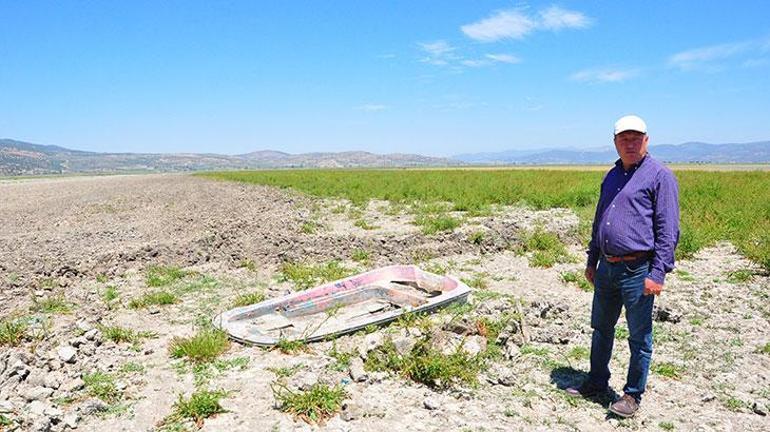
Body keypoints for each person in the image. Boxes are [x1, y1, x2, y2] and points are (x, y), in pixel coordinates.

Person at [565, 115, 680, 418]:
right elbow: (599, 219)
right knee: (601, 329)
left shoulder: (659, 176)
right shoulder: (612, 175)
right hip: (607, 268)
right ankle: (597, 382)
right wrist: (592, 259)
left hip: (637, 270)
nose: (629, 143)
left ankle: (632, 395)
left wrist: (658, 272)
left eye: (635, 138)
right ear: (615, 142)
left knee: (639, 337)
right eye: (623, 138)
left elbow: (668, 230)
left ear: (647, 140)